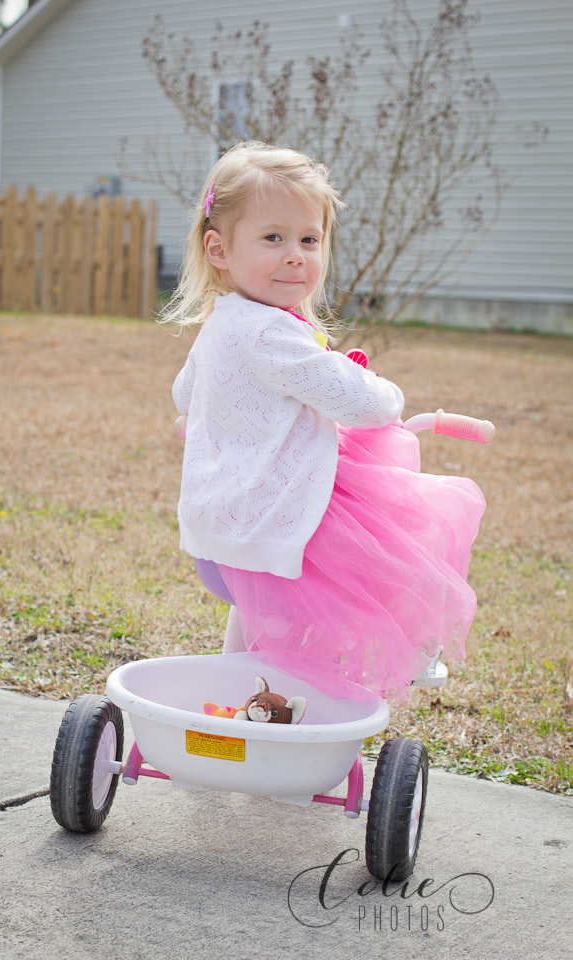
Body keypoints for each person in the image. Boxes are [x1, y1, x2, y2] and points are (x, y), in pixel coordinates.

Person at [166, 141, 485, 701]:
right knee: (397, 539)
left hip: (219, 536)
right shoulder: (271, 331)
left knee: (258, 613)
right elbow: (361, 403)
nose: (296, 255)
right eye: (273, 238)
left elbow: (186, 392)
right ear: (218, 249)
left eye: (308, 240)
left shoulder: (223, 320)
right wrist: (388, 391)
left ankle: (229, 699)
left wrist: (203, 418)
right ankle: (294, 712)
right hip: (274, 532)